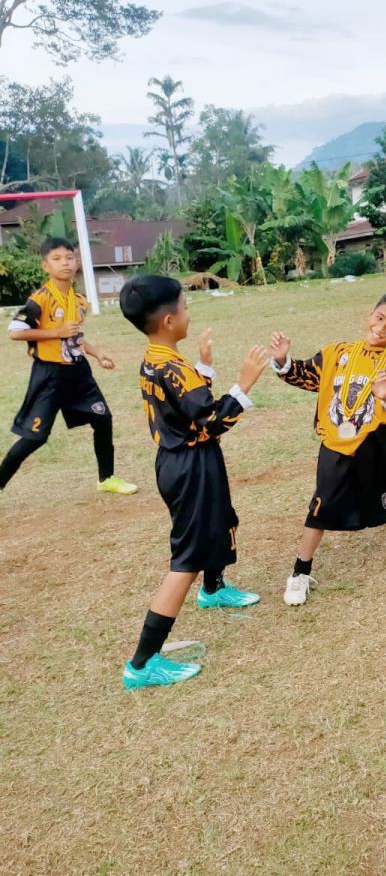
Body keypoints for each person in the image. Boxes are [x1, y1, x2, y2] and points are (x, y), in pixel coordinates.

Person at [119, 275, 269, 689]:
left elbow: (185, 402)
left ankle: (214, 588)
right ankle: (141, 664)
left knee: (221, 520)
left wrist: (203, 364)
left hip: (184, 460)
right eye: (185, 307)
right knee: (185, 560)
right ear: (168, 320)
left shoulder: (158, 356)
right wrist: (244, 382)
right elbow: (211, 419)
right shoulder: (169, 365)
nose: (189, 313)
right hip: (189, 466)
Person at [270, 291, 386, 607]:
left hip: (378, 440)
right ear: (370, 314)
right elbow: (304, 376)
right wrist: (284, 361)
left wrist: (385, 394)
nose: (381, 328)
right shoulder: (335, 353)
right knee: (321, 505)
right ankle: (300, 572)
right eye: (379, 318)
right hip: (336, 442)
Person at [0, 237, 137, 495]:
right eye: (57, 259)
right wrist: (56, 332)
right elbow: (15, 332)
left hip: (78, 372)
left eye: (69, 258)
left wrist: (97, 353)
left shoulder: (79, 300)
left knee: (103, 418)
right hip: (49, 375)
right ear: (46, 266)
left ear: (76, 263)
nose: (65, 263)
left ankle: (106, 478)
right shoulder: (40, 299)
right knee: (35, 437)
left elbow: (74, 337)